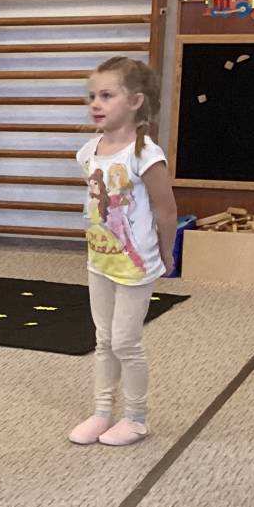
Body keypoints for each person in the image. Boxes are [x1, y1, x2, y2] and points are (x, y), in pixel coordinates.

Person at [69, 57, 179, 448]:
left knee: (125, 343)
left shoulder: (145, 155)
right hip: (100, 260)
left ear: (134, 101)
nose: (95, 104)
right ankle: (102, 412)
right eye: (92, 96)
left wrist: (166, 254)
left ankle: (136, 418)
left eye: (106, 95)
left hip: (135, 264)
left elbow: (166, 210)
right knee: (103, 340)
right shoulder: (88, 152)